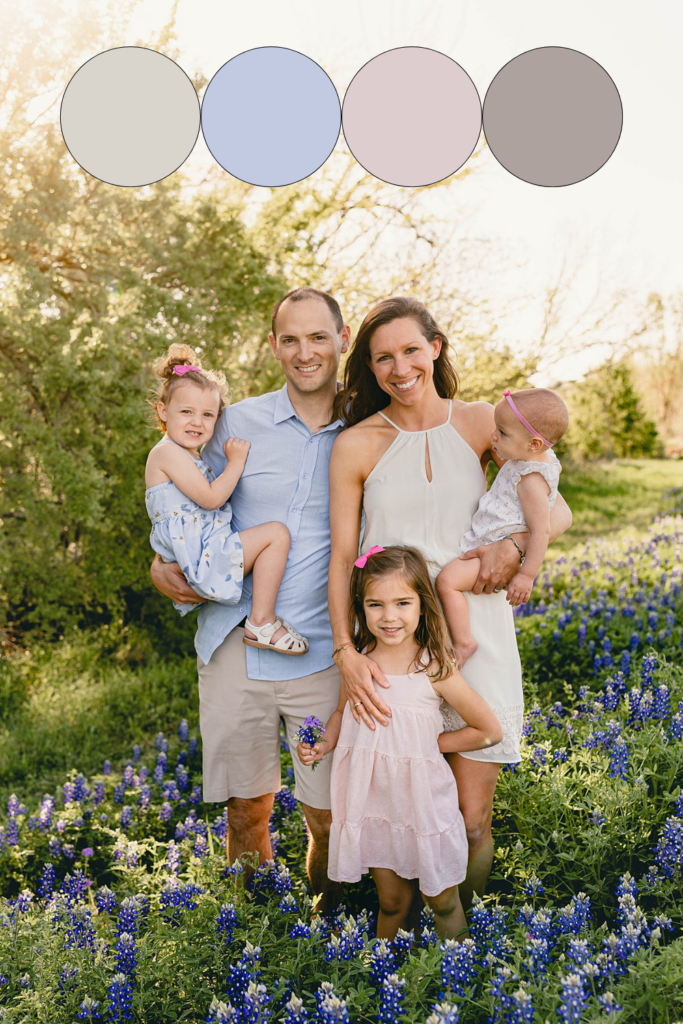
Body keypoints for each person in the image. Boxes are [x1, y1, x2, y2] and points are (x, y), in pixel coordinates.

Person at [327, 297, 572, 912]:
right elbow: (341, 558)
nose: (399, 367)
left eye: (411, 349)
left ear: (435, 347)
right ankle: (407, 938)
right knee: (404, 809)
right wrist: (344, 653)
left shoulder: (483, 423)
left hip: (474, 627)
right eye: (383, 357)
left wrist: (515, 546)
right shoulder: (357, 444)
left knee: (470, 816)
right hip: (396, 638)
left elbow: (556, 507)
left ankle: (466, 939)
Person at [150, 288, 351, 911]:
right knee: (246, 812)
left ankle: (325, 932)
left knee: (327, 813)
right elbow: (173, 490)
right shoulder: (235, 421)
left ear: (343, 341)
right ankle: (258, 940)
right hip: (234, 647)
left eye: (318, 337)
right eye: (289, 338)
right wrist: (159, 563)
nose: (304, 351)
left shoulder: (373, 426)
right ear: (273, 346)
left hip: (319, 655)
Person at [297, 546, 502, 940]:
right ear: (360, 607)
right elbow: (343, 713)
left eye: (402, 603)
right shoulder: (357, 662)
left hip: (424, 803)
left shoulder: (434, 666)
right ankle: (389, 981)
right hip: (375, 802)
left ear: (422, 606)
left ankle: (455, 980)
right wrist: (325, 742)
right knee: (392, 902)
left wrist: (430, 744)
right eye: (375, 604)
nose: (389, 616)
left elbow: (489, 729)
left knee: (441, 901)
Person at [145, 343, 308, 655]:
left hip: (200, 552)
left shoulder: (186, 456)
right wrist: (235, 462)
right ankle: (261, 620)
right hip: (204, 554)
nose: (197, 422)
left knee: (271, 536)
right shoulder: (166, 452)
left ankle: (260, 618)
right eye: (186, 412)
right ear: (163, 411)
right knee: (276, 534)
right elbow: (211, 499)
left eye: (208, 414)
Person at [436, 387, 568, 666]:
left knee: (447, 582)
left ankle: (463, 643)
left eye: (503, 432)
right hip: (490, 539)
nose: (493, 435)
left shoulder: (531, 480)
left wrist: (526, 576)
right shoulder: (534, 459)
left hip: (493, 546)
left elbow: (540, 531)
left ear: (533, 444)